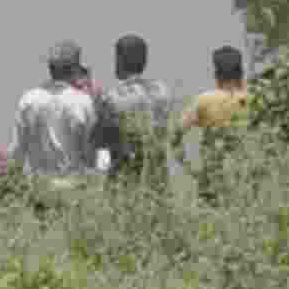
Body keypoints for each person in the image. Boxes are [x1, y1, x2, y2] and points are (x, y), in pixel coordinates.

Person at [92, 34, 180, 194]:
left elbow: (98, 141)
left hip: (125, 183)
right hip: (158, 181)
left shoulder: (112, 97)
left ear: (119, 60)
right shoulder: (163, 92)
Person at [10, 40, 101, 192]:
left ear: (49, 68)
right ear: (74, 69)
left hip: (39, 188)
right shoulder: (83, 102)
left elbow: (17, 152)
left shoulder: (28, 100)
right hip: (73, 188)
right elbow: (91, 156)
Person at [172, 46, 250, 206]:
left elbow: (175, 136)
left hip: (212, 178)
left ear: (216, 74)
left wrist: (191, 170)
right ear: (241, 72)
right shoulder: (251, 100)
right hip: (244, 177)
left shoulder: (204, 100)